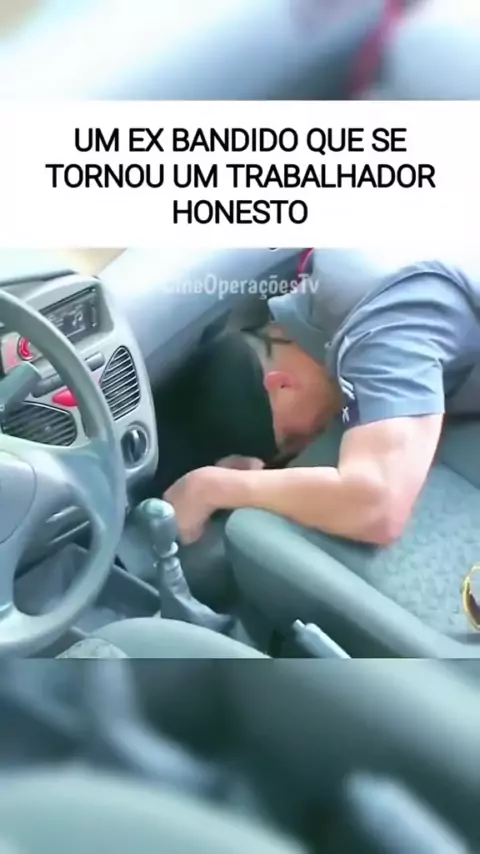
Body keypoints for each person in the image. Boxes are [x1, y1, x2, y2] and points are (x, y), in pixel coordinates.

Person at [164, 249, 480, 546]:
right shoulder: (335, 266)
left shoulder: (378, 337)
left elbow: (376, 506)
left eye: (292, 439)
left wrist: (211, 488)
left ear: (282, 385)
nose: (309, 442)